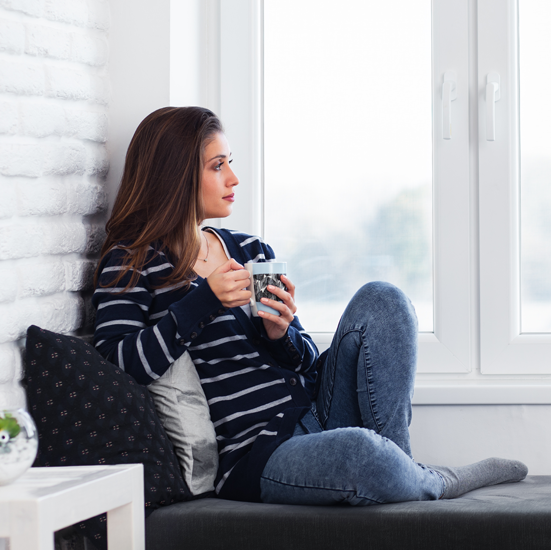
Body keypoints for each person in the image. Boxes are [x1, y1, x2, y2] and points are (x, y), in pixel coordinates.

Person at [92, 106, 527, 505]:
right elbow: (117, 364)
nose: (233, 179)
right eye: (217, 166)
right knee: (359, 452)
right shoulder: (132, 262)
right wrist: (204, 300)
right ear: (176, 175)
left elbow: (304, 360)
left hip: (317, 407)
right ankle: (434, 482)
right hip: (258, 452)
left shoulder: (249, 250)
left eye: (230, 163)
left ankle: (401, 469)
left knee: (384, 298)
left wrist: (281, 334)